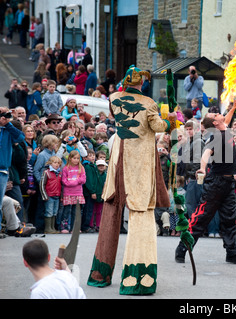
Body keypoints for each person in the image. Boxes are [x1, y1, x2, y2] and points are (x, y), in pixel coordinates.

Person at [88, 65, 177, 295]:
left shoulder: (114, 98)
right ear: (141, 84)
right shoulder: (149, 104)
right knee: (141, 214)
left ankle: (100, 274)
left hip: (118, 159)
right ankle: (137, 278)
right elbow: (158, 127)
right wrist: (171, 120)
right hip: (137, 164)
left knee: (110, 210)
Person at [175, 99, 236, 266]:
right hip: (215, 183)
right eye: (216, 114)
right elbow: (206, 153)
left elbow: (227, 119)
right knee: (201, 218)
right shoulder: (215, 136)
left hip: (229, 183)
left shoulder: (225, 129)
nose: (220, 114)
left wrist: (234, 107)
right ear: (215, 122)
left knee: (230, 218)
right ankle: (182, 248)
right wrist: (202, 168)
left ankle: (232, 253)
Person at [0, 108, 25, 223]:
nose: (4, 117)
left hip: (3, 171)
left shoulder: (7, 130)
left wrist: (8, 124)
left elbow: (20, 137)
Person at [60, 150, 86, 233]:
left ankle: (74, 228)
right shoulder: (66, 168)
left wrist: (73, 182)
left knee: (76, 211)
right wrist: (75, 181)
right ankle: (64, 227)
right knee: (66, 211)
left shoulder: (81, 168)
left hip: (78, 193)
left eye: (78, 158)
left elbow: (83, 179)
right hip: (68, 193)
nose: (76, 160)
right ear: (70, 158)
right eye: (74, 158)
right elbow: (64, 181)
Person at [39, 156, 62, 234]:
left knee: (55, 212)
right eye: (55, 162)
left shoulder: (59, 173)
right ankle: (47, 228)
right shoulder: (46, 172)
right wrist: (44, 195)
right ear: (50, 163)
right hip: (49, 196)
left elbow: (61, 185)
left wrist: (61, 196)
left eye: (58, 163)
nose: (57, 164)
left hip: (57, 195)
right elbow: (42, 184)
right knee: (49, 212)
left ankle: (52, 227)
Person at [88, 159, 107, 232]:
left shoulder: (105, 175)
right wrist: (93, 192)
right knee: (93, 210)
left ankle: (98, 225)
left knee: (99, 211)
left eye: (103, 165)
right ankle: (91, 224)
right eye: (99, 165)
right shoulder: (95, 174)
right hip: (95, 194)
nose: (101, 167)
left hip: (101, 195)